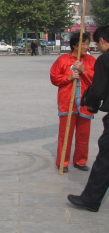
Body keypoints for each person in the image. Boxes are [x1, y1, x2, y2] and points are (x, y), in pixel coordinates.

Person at [68, 25, 109, 212]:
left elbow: (98, 89)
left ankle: (90, 200)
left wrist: (90, 103)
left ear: (102, 40)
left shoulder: (103, 60)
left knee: (105, 160)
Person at [50, 32, 95, 173]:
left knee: (83, 134)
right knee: (65, 134)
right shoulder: (63, 60)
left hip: (85, 103)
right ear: (75, 45)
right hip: (67, 102)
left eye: (88, 44)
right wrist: (68, 78)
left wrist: (84, 70)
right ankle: (62, 161)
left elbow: (97, 80)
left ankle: (80, 160)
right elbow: (54, 77)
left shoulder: (91, 61)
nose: (87, 47)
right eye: (85, 44)